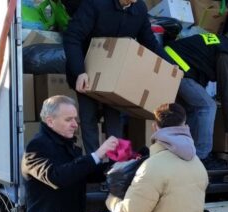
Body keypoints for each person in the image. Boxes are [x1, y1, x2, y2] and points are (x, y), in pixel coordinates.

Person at [62, 0, 168, 153]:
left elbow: (149, 40)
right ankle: (94, 165)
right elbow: (72, 36)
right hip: (88, 70)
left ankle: (115, 166)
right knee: (89, 118)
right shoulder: (96, 4)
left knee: (114, 118)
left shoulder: (139, 8)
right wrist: (79, 72)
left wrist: (168, 63)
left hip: (115, 74)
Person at [163, 31, 228, 168]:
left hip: (172, 62)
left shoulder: (223, 43)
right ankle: (203, 157)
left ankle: (188, 154)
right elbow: (227, 93)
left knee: (194, 108)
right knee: (208, 106)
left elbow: (200, 66)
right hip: (175, 67)